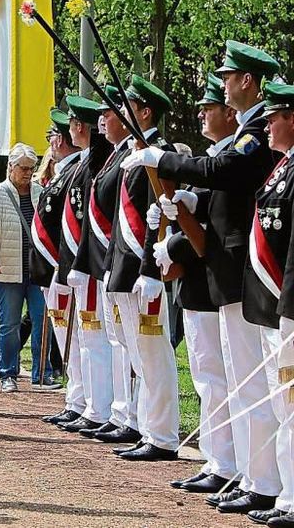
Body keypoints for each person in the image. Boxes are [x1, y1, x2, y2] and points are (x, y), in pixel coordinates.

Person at [124, 42, 284, 498]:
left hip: (239, 269)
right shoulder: (249, 130)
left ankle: (260, 480)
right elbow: (224, 189)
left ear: (247, 81)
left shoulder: (253, 134)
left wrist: (165, 161)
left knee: (247, 380)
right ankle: (240, 471)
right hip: (225, 269)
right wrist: (192, 202)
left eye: (229, 77)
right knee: (229, 376)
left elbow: (228, 170)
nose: (225, 83)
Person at [147, 75, 239, 496]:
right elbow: (200, 212)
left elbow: (215, 228)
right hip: (201, 280)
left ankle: (228, 463)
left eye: (211, 107)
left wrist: (174, 244)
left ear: (230, 114)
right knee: (205, 373)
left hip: (213, 276)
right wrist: (173, 212)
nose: (202, 113)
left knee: (219, 374)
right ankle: (218, 459)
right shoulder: (212, 160)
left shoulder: (228, 161)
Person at [102, 75, 179, 463]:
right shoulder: (134, 154)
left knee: (152, 354)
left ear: (145, 112)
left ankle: (162, 434)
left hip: (143, 271)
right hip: (125, 267)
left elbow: (161, 217)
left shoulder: (157, 153)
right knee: (137, 353)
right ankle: (149, 428)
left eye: (128, 107)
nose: (121, 113)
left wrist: (149, 269)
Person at [67, 86, 140, 443]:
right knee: (110, 342)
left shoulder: (127, 156)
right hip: (105, 263)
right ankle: (113, 411)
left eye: (107, 114)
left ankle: (126, 415)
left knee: (126, 347)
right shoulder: (113, 157)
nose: (100, 123)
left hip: (123, 265)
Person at [236, 81, 294, 526]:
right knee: (280, 400)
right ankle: (280, 491)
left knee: (289, 401)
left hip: (285, 300)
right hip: (269, 298)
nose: (267, 124)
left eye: (273, 116)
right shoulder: (282, 166)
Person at [49, 94, 115, 437]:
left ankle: (97, 405)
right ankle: (85, 402)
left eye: (76, 122)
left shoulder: (92, 163)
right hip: (76, 264)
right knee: (85, 341)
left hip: (90, 264)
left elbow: (89, 219)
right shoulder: (82, 165)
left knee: (95, 340)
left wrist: (77, 261)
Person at [27, 113, 83, 418]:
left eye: (51, 136)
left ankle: (81, 402)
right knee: (69, 340)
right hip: (52, 269)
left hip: (62, 267)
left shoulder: (74, 171)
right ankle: (76, 401)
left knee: (75, 339)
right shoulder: (63, 172)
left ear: (58, 139)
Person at [0, 143, 48, 392]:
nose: (28, 173)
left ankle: (42, 373)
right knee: (8, 324)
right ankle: (8, 373)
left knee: (42, 320)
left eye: (32, 168)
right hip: (6, 271)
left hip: (38, 271)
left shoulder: (41, 193)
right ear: (10, 167)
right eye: (23, 168)